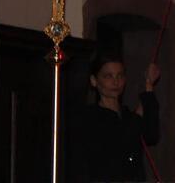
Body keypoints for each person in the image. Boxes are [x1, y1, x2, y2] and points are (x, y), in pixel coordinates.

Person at [68, 52, 161, 183]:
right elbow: (117, 144)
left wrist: (149, 84)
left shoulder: (127, 115)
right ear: (94, 81)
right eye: (108, 76)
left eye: (120, 75)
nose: (116, 82)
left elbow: (152, 135)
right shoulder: (88, 118)